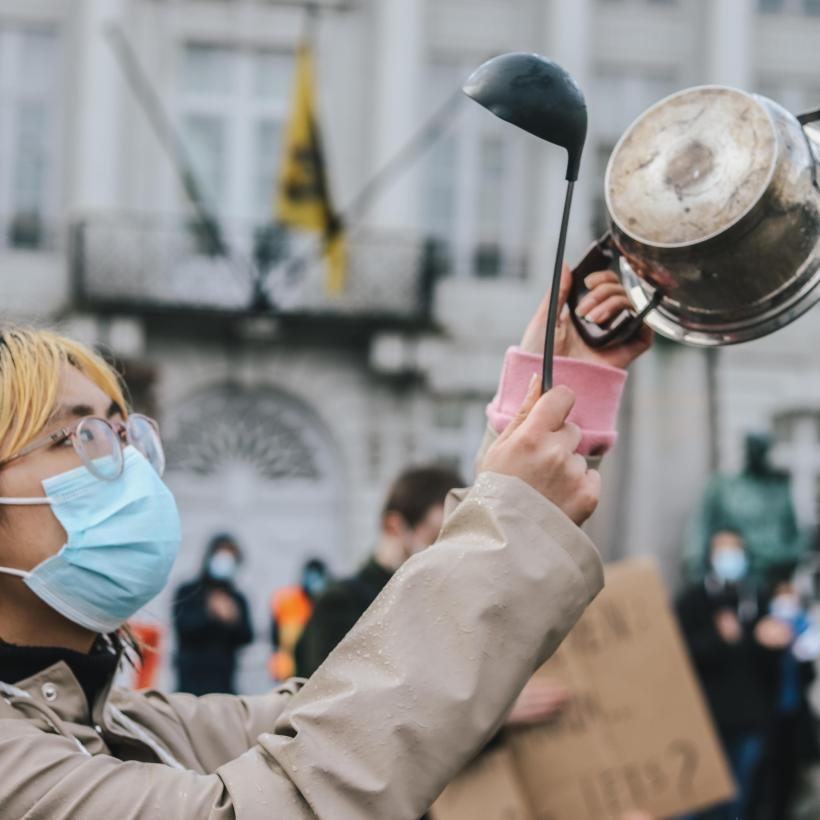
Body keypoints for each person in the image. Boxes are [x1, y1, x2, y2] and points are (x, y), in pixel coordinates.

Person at [0, 263, 649, 818]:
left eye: (123, 436)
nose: (128, 467)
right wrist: (513, 513)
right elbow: (293, 799)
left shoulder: (122, 721)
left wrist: (550, 406)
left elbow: (345, 717)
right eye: (75, 437)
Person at [295, 466, 463, 678]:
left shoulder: (443, 600)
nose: (447, 553)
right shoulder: (341, 602)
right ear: (393, 527)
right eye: (434, 538)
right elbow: (328, 698)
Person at [676, 530, 791, 820]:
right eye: (722, 550)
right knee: (695, 800)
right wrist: (719, 639)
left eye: (734, 550)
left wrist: (770, 642)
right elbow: (678, 653)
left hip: (749, 720)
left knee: (735, 802)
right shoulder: (693, 599)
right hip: (703, 718)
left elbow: (767, 661)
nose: (729, 558)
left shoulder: (757, 597)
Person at [685, 432, 807, 585]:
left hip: (773, 573)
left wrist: (788, 556)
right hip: (735, 576)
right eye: (752, 449)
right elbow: (700, 526)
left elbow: (796, 535)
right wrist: (694, 563)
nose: (756, 454)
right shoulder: (724, 487)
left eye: (760, 450)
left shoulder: (779, 489)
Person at [750, 567, 819, 820]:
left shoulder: (803, 634)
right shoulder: (761, 634)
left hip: (794, 715)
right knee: (762, 773)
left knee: (788, 774)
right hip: (767, 717)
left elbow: (808, 677)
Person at [172, 533, 254, 695]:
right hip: (190, 684)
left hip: (224, 685)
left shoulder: (237, 598)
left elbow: (247, 636)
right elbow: (183, 628)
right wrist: (209, 615)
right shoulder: (188, 592)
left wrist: (231, 619)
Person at [270, 557, 329, 681]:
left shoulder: (327, 603)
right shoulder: (287, 601)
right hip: (288, 671)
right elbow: (275, 637)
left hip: (316, 672)